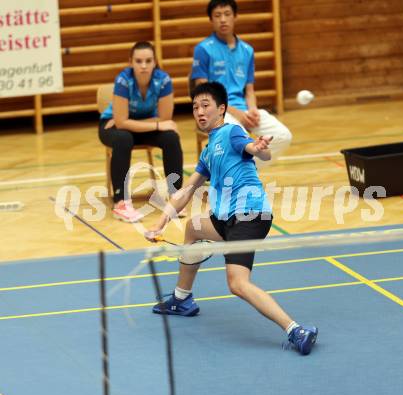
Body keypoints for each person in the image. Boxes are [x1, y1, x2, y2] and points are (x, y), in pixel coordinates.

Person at [145, 82, 317, 355]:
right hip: (227, 218)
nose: (199, 112)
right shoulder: (208, 150)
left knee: (237, 283)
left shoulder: (231, 132)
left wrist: (260, 148)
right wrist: (160, 222)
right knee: (193, 227)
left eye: (205, 106)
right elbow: (187, 190)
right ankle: (182, 300)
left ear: (221, 109)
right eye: (195, 107)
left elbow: (255, 149)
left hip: (249, 215)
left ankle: (295, 329)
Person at [190, 0, 292, 167]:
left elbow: (249, 90)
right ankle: (240, 174)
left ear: (235, 16)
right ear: (211, 20)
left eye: (227, 14)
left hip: (243, 109)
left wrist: (252, 110)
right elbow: (203, 94)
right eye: (217, 15)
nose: (223, 19)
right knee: (243, 139)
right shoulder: (203, 49)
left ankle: (244, 171)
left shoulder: (247, 50)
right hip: (217, 111)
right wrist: (237, 113)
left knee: (283, 135)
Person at [99, 41, 184, 223]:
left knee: (171, 137)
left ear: (155, 62)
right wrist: (152, 124)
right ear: (130, 62)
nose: (143, 65)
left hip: (140, 126)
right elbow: (121, 124)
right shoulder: (123, 80)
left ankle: (175, 198)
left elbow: (165, 121)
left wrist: (131, 122)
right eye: (138, 61)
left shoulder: (163, 80)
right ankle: (121, 203)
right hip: (111, 126)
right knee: (123, 138)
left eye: (148, 60)